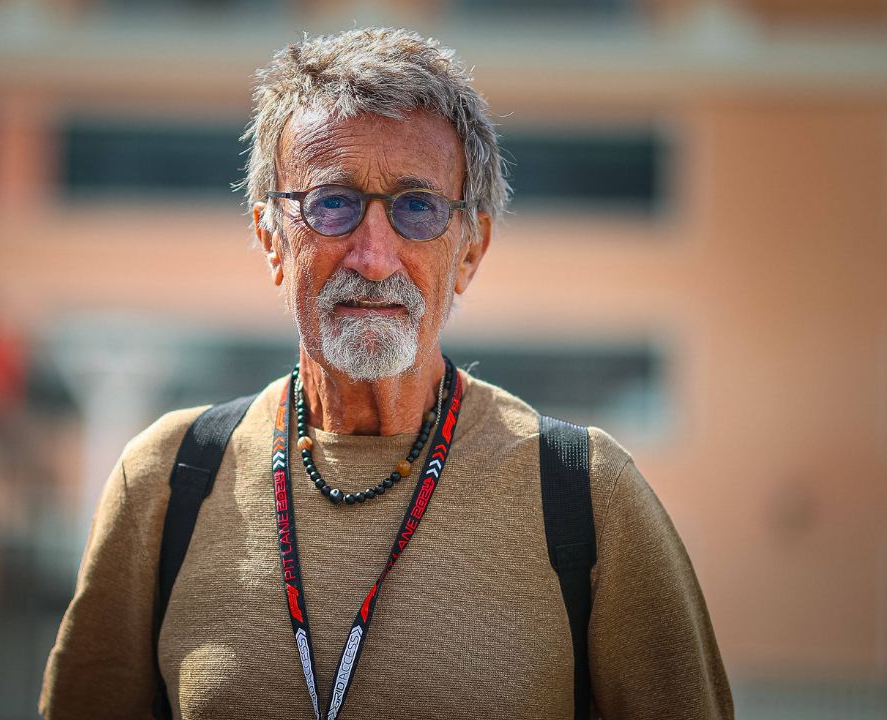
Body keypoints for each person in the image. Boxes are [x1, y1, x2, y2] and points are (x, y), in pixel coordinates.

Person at [40, 27, 733, 720]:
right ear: (271, 238)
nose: (373, 257)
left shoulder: (588, 494)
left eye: (417, 207)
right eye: (332, 203)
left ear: (470, 249)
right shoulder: (166, 482)